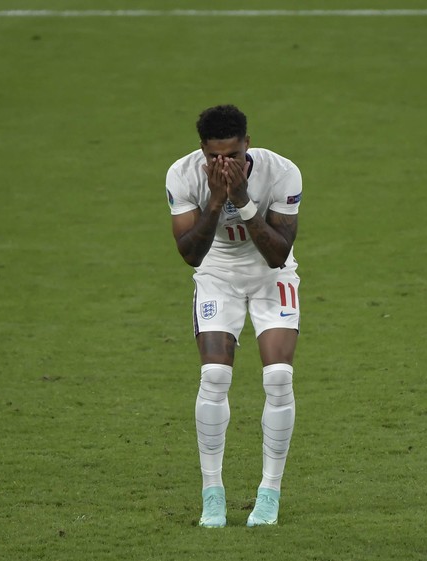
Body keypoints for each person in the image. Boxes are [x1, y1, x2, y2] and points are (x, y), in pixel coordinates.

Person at [165, 104, 302, 528]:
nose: (224, 165)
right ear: (201, 151)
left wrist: (241, 200)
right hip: (217, 274)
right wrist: (216, 199)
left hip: (268, 274)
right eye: (213, 158)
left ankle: (269, 494)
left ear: (249, 143)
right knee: (215, 377)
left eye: (234, 156)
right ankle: (213, 494)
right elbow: (191, 254)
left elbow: (278, 253)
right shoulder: (182, 175)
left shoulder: (282, 173)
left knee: (278, 376)